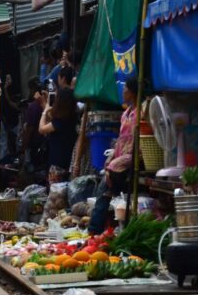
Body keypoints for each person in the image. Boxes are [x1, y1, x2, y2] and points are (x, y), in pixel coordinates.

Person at [89, 78, 139, 234]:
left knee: (106, 182)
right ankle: (96, 229)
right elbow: (120, 140)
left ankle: (94, 230)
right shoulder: (125, 114)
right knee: (104, 183)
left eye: (125, 90)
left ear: (132, 92)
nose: (123, 93)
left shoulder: (141, 113)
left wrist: (111, 166)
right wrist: (111, 158)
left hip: (135, 155)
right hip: (121, 155)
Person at [39, 68, 77, 172]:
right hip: (67, 162)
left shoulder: (60, 122)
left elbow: (41, 129)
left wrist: (45, 109)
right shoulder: (71, 118)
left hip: (57, 164)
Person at [21, 77, 47, 171]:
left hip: (34, 146)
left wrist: (23, 148)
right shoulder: (46, 104)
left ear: (33, 89)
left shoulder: (33, 107)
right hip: (44, 145)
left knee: (30, 171)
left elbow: (29, 130)